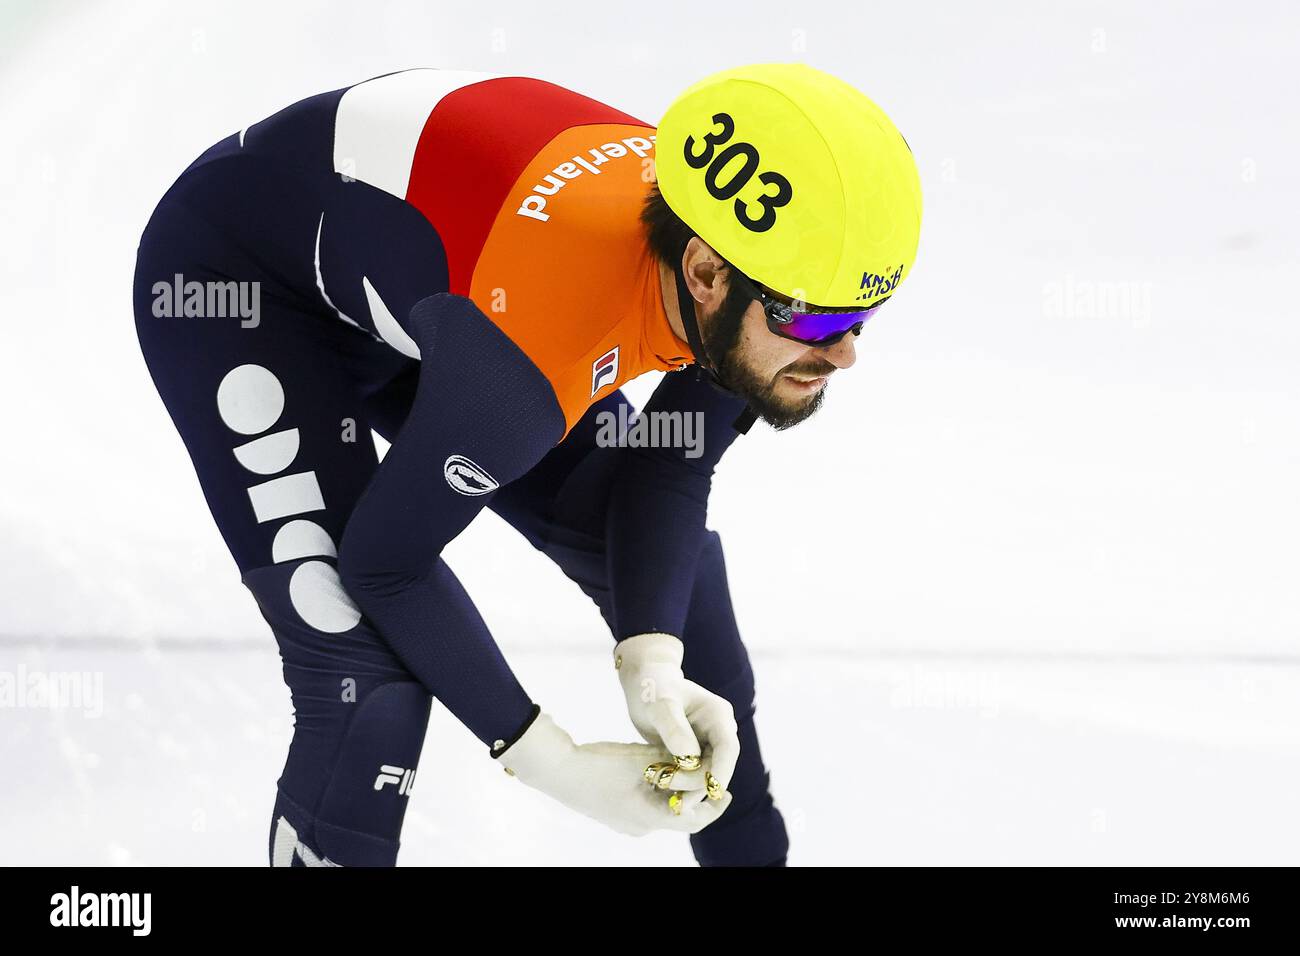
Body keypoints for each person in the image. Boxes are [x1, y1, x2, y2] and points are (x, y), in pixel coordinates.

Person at [132, 63, 923, 866]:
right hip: (244, 283)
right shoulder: (529, 366)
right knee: (365, 678)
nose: (845, 352)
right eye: (822, 317)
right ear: (706, 274)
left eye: (866, 314)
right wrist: (552, 759)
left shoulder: (757, 260)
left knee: (682, 595)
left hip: (440, 281)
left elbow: (668, 465)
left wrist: (654, 655)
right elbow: (386, 567)